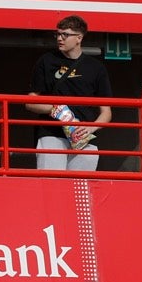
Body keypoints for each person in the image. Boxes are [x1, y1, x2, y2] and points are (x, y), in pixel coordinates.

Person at [26, 17, 109, 172]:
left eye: (65, 35)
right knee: (51, 187)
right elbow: (30, 101)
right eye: (57, 34)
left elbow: (106, 112)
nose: (59, 38)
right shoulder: (46, 61)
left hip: (84, 138)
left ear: (79, 38)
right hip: (51, 133)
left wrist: (90, 128)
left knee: (80, 190)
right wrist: (54, 109)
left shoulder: (96, 68)